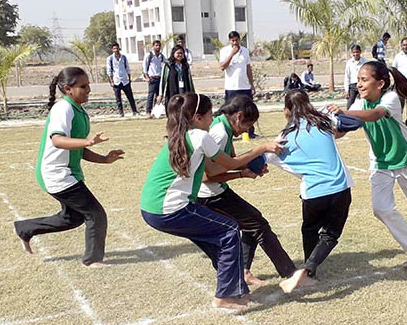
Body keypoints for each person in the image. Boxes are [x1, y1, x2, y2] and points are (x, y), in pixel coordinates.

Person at [140, 92, 286, 310]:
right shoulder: (201, 136)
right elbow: (229, 164)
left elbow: (215, 168)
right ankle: (224, 296)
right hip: (170, 208)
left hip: (151, 208)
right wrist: (261, 149)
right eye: (210, 115)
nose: (213, 118)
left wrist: (244, 171)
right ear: (197, 117)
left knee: (216, 240)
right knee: (229, 230)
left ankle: (236, 289)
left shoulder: (182, 133)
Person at [327, 61, 407, 268]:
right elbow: (342, 130)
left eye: (364, 80)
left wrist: (344, 112)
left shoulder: (391, 98)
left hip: (406, 161)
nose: (359, 84)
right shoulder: (359, 104)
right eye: (358, 80)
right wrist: (326, 129)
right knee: (380, 208)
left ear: (380, 84)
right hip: (380, 164)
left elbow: (376, 114)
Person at [14, 67, 124, 267]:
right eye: (83, 86)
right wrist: (88, 142)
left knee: (72, 218)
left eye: (88, 85)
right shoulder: (63, 108)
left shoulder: (78, 110)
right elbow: (57, 140)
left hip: (68, 172)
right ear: (67, 89)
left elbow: (78, 149)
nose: (89, 90)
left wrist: (105, 159)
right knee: (95, 214)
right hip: (56, 173)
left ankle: (25, 228)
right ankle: (93, 260)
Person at [196, 95, 297, 286]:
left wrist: (249, 167)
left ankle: (244, 271)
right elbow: (206, 176)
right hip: (208, 196)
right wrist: (257, 154)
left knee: (253, 222)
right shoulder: (220, 133)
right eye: (248, 125)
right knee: (259, 226)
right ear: (239, 116)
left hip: (216, 191)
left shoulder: (223, 126)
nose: (246, 130)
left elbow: (229, 162)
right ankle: (291, 274)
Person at [266, 90, 353, 293]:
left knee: (309, 230)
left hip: (313, 193)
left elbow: (262, 160)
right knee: (330, 235)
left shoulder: (284, 136)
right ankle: (307, 270)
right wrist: (340, 114)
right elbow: (353, 123)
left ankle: (308, 272)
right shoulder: (324, 122)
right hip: (340, 189)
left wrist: (254, 160)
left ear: (286, 111)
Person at [219, 31, 260, 139]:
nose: (235, 42)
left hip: (244, 86)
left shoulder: (245, 51)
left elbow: (248, 68)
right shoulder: (224, 51)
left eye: (236, 40)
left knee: (248, 110)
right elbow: (222, 66)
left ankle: (249, 132)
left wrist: (251, 84)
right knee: (230, 111)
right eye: (232, 40)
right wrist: (232, 54)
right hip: (231, 87)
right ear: (229, 41)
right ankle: (229, 132)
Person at [157, 44, 194, 113]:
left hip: (184, 91)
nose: (180, 55)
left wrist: (192, 93)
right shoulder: (168, 65)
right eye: (178, 53)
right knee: (173, 111)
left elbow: (190, 80)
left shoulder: (185, 66)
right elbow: (163, 81)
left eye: (181, 53)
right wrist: (160, 94)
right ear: (173, 54)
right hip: (172, 92)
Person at [107, 42, 139, 117]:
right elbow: (109, 71)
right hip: (116, 81)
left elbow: (127, 68)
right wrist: (111, 81)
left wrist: (129, 78)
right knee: (118, 99)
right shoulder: (110, 59)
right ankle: (121, 113)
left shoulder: (123, 57)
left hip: (125, 80)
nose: (116, 50)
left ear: (119, 49)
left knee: (130, 97)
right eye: (114, 48)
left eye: (117, 48)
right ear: (112, 50)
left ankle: (134, 111)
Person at [143, 40, 165, 118]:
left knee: (159, 96)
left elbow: (166, 63)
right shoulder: (149, 55)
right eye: (156, 45)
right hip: (152, 78)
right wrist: (147, 77)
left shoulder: (161, 56)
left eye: (159, 45)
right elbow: (144, 67)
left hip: (159, 78)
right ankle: (148, 112)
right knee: (151, 95)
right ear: (153, 46)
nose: (158, 47)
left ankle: (156, 112)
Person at [344, 44, 368, 109]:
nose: (355, 54)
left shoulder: (365, 62)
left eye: (357, 52)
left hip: (362, 85)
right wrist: (346, 90)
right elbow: (347, 76)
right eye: (354, 52)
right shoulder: (349, 63)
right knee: (350, 104)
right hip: (353, 86)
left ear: (360, 52)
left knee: (364, 103)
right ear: (351, 53)